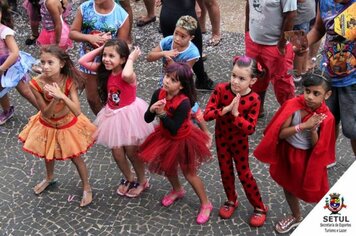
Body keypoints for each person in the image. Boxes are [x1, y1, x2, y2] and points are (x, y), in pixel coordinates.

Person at [254, 74, 335, 233]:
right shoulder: (293, 105)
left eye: (316, 93)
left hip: (305, 157)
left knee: (309, 186)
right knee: (288, 185)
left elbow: (318, 148)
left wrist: (313, 131)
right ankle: (296, 216)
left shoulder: (328, 118)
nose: (310, 97)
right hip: (288, 151)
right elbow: (280, 133)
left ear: (327, 95)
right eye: (307, 91)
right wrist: (303, 126)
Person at [18, 45, 96, 207]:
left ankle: (87, 187)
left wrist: (61, 96)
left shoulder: (68, 81)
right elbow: (45, 113)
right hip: (47, 123)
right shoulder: (35, 83)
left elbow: (76, 111)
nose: (45, 67)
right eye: (43, 62)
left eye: (50, 62)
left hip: (67, 123)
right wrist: (55, 99)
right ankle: (49, 177)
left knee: (76, 157)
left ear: (61, 64)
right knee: (48, 153)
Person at [79, 39, 154, 198]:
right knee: (117, 154)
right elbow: (82, 61)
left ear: (123, 59)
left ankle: (142, 181)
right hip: (112, 115)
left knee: (132, 152)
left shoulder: (128, 75)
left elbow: (126, 73)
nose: (106, 59)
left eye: (111, 56)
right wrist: (101, 50)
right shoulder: (105, 71)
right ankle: (129, 178)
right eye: (105, 55)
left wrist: (132, 58)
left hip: (129, 116)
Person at [139, 62, 213, 224]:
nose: (167, 81)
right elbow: (147, 119)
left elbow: (174, 128)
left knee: (190, 174)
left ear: (181, 86)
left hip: (182, 140)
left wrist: (163, 114)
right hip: (164, 137)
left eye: (173, 80)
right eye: (167, 76)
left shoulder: (184, 102)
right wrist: (152, 110)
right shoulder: (158, 93)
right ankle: (177, 190)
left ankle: (206, 203)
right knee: (168, 167)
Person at [203, 56, 268, 226]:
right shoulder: (221, 89)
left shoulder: (254, 99)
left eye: (241, 78)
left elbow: (250, 129)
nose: (235, 81)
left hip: (239, 142)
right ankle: (231, 200)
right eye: (233, 75)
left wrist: (236, 115)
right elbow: (207, 114)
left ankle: (259, 206)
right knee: (225, 171)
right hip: (221, 138)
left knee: (244, 174)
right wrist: (224, 110)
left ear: (252, 80)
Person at [147, 15, 212, 144]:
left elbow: (185, 74)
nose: (177, 38)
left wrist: (171, 63)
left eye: (183, 36)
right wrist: (163, 53)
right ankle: (168, 126)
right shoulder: (167, 41)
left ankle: (206, 132)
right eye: (176, 33)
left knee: (193, 108)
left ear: (191, 38)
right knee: (166, 106)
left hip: (182, 85)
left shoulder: (192, 52)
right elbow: (149, 56)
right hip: (166, 82)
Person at [306, 0, 356, 156]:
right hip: (328, 74)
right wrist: (302, 44)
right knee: (327, 121)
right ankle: (326, 157)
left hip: (353, 78)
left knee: (352, 129)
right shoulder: (324, 1)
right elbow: (319, 28)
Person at [69, 0, 130, 115]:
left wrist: (109, 43)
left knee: (110, 97)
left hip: (109, 65)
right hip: (88, 62)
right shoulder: (84, 8)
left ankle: (111, 121)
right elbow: (73, 33)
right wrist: (89, 38)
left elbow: (122, 47)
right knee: (92, 98)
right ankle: (102, 121)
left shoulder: (121, 15)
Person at [245, 0, 297, 117]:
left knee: (283, 84)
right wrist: (247, 32)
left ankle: (290, 118)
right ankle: (258, 108)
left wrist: (281, 44)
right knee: (256, 77)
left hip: (276, 45)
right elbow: (249, 4)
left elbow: (291, 15)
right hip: (253, 41)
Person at [157, 0, 215, 91]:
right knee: (194, 50)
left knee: (172, 49)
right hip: (185, 9)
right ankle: (201, 80)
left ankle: (168, 82)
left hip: (167, 13)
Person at [0, 0, 38, 125]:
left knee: (25, 91)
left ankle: (44, 111)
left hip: (12, 65)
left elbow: (15, 52)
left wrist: (2, 68)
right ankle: (7, 110)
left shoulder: (4, 31)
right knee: (1, 90)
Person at [292, 0, 316, 82]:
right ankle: (302, 71)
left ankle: (297, 77)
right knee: (303, 45)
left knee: (299, 48)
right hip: (305, 12)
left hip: (299, 16)